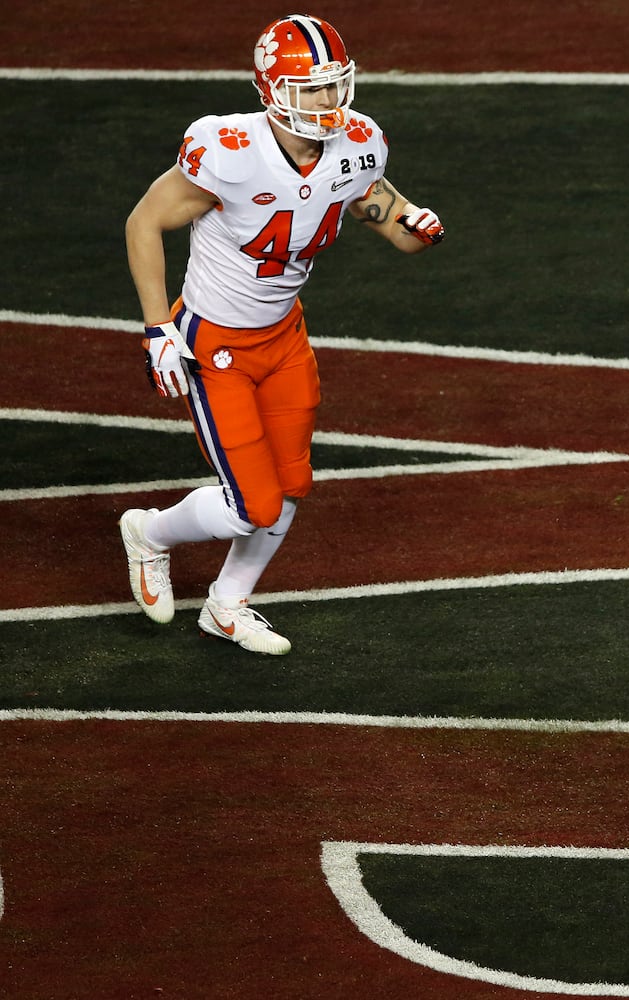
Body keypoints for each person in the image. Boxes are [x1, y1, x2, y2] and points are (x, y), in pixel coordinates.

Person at [120, 14, 445, 654]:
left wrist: (418, 226)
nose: (328, 102)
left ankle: (227, 604)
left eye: (334, 85)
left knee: (293, 484)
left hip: (284, 337)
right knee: (252, 505)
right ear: (271, 89)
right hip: (215, 343)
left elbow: (386, 214)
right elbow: (143, 223)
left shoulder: (357, 146)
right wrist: (158, 325)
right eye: (311, 89)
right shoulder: (228, 154)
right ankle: (149, 533)